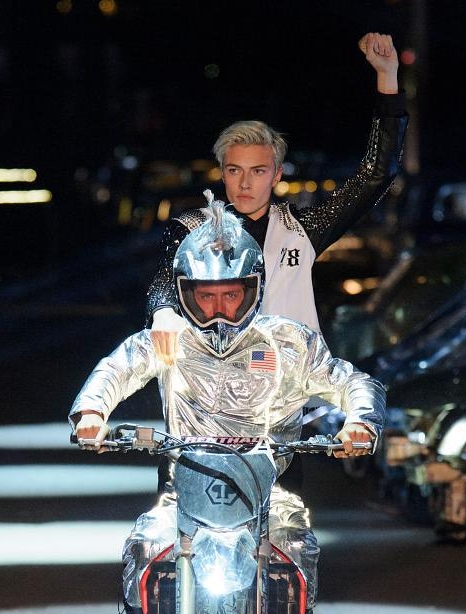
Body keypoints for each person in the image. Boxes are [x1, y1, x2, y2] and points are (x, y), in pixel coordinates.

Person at [70, 194, 386, 614]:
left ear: (254, 288)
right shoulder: (169, 338)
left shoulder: (288, 341)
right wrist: (92, 413)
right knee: (143, 545)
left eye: (231, 294)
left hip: (267, 493)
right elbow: (117, 367)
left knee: (299, 553)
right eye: (206, 295)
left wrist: (360, 422)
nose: (218, 308)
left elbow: (352, 380)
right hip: (186, 493)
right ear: (185, 293)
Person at [146, 31, 407, 366]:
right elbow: (164, 282)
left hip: (292, 388)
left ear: (277, 174)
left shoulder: (302, 228)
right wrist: (163, 313)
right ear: (222, 173)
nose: (244, 183)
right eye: (235, 170)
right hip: (218, 390)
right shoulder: (192, 228)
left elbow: (376, 175)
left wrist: (387, 77)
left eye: (258, 171)